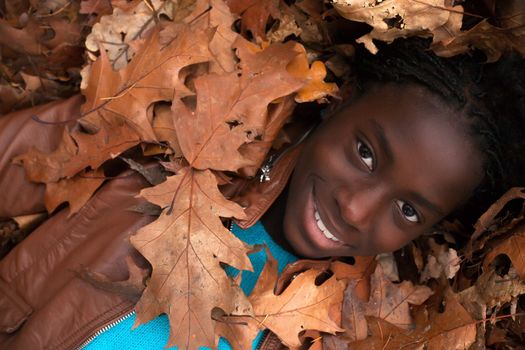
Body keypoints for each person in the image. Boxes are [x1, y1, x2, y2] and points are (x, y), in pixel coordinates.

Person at [0, 38, 524, 349]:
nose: (356, 207)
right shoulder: (180, 139)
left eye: (408, 209)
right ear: (336, 103)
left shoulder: (348, 334)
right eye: (365, 153)